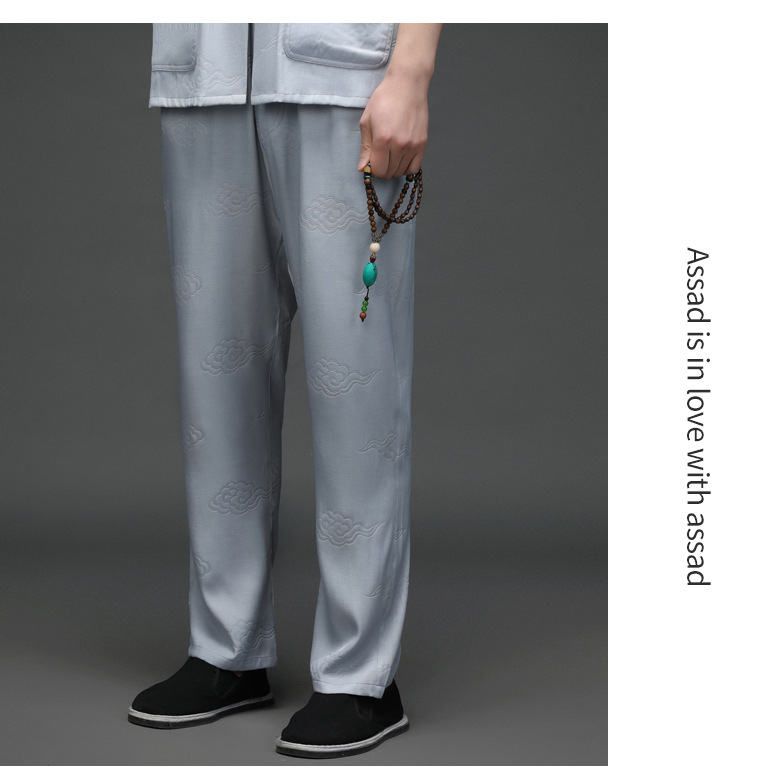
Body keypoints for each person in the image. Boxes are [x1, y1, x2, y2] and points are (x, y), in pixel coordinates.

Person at [128, 23, 442, 759]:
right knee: (216, 379)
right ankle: (226, 649)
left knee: (356, 388)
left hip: (340, 74)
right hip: (205, 75)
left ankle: (361, 675)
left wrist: (412, 71)